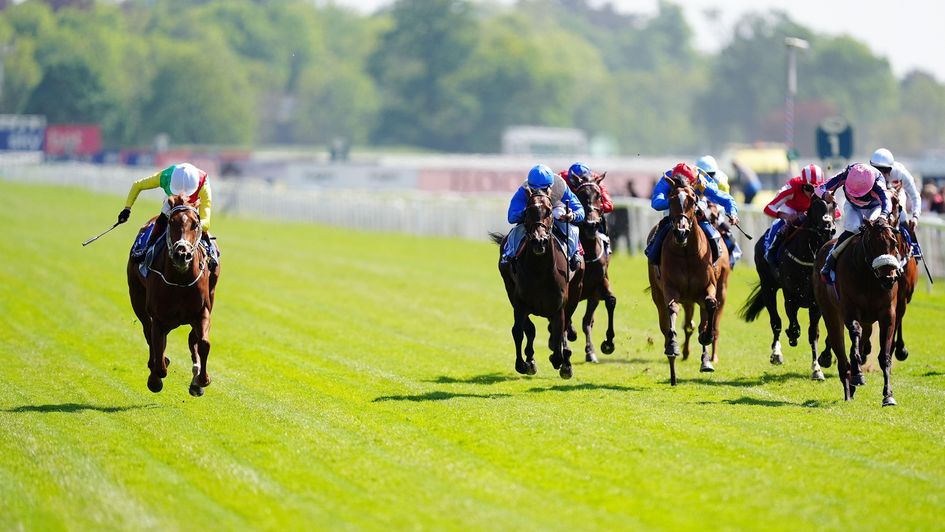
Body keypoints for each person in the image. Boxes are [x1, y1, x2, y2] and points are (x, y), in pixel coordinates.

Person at [119, 162, 218, 267]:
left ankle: (210, 251)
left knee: (199, 225)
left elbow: (206, 222)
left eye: (187, 193)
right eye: (178, 192)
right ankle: (147, 248)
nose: (182, 195)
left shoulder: (203, 183)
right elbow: (138, 185)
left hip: (193, 205)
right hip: (172, 202)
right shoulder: (166, 176)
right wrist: (127, 208)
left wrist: (195, 225)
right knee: (163, 217)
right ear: (171, 183)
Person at [644, 162, 739, 266]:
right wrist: (676, 201)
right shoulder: (668, 178)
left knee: (713, 234)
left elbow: (726, 199)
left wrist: (732, 213)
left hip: (696, 205)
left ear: (693, 182)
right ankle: (655, 266)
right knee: (660, 234)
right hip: (674, 207)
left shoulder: (701, 180)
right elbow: (656, 203)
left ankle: (714, 264)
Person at [816, 162, 889, 284]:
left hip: (874, 208)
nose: (856, 194)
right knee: (853, 228)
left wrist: (883, 215)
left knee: (876, 229)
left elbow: (887, 203)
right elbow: (819, 188)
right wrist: (825, 195)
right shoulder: (847, 173)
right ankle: (829, 263)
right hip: (852, 206)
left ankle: (894, 264)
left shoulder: (878, 183)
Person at [502, 164, 585, 270]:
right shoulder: (524, 189)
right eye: (535, 190)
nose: (539, 193)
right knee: (515, 232)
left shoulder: (560, 185)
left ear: (550, 186)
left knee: (572, 229)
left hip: (554, 211)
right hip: (533, 216)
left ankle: (574, 254)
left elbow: (580, 211)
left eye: (543, 190)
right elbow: (511, 217)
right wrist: (527, 212)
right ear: (530, 186)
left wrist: (572, 216)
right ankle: (509, 255)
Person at [761, 163, 826, 269]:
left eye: (816, 188)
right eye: (809, 188)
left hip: (808, 210)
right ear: (802, 185)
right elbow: (768, 208)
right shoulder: (791, 188)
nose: (812, 193)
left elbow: (837, 214)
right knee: (789, 223)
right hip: (790, 207)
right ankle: (772, 252)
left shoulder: (824, 192)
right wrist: (787, 216)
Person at [870, 148, 921, 256]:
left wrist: (915, 216)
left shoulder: (901, 173)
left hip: (897, 194)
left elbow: (915, 195)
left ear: (891, 168)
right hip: (877, 197)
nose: (882, 174)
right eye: (878, 170)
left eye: (886, 170)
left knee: (901, 215)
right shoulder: (867, 174)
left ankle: (914, 247)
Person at [696, 155, 741, 266]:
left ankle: (730, 260)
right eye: (705, 174)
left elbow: (724, 199)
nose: (708, 177)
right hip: (697, 210)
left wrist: (716, 209)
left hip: (715, 211)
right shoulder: (693, 178)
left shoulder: (721, 181)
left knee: (729, 237)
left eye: (710, 174)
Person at [561, 162, 613, 235]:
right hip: (571, 210)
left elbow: (609, 205)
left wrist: (594, 207)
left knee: (600, 216)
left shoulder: (596, 180)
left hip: (588, 211)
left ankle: (605, 241)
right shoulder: (562, 179)